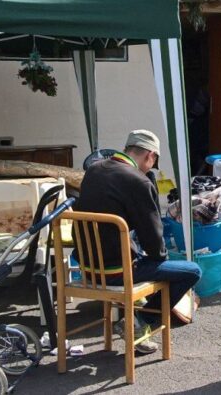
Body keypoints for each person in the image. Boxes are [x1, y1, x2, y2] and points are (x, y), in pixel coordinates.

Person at [74, 129, 202, 354]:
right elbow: (154, 242)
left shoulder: (93, 170)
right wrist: (159, 259)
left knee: (144, 259)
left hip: (88, 268)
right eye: (152, 164)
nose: (150, 169)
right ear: (150, 156)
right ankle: (140, 321)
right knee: (191, 271)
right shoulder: (138, 181)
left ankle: (138, 312)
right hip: (118, 271)